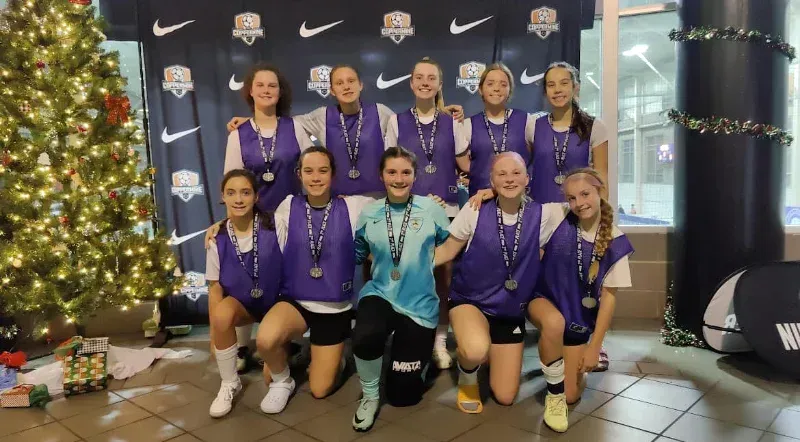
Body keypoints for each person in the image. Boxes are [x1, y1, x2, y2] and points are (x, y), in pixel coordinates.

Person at [471, 61, 613, 371]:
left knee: (584, 280)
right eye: (551, 85)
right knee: (551, 281)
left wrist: (599, 221)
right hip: (544, 217)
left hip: (579, 215)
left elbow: (602, 179)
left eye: (564, 83)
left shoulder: (595, 127)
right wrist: (494, 191)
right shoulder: (534, 125)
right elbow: (519, 171)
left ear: (575, 87)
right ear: (545, 91)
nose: (558, 89)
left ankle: (591, 343)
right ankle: (554, 339)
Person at [433, 152, 565, 413]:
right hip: (471, 301)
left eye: (516, 173)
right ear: (491, 182)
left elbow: (584, 201)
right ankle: (468, 375)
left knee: (505, 396)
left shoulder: (545, 214)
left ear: (528, 178)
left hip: (509, 309)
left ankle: (491, 352)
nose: (509, 179)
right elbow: (446, 251)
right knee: (474, 350)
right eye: (501, 174)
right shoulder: (474, 210)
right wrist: (402, 262)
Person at [210, 62, 314, 373]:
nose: (267, 90)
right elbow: (232, 180)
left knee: (283, 282)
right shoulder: (238, 134)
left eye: (272, 85)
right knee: (243, 280)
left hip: (289, 221)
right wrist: (224, 222)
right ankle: (240, 346)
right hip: (251, 221)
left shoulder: (294, 127)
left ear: (280, 92)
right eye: (261, 86)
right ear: (250, 91)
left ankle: (282, 341)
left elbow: (310, 168)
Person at [255, 146, 371, 413]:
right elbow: (256, 224)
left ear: (333, 174)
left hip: (333, 308)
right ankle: (283, 382)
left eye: (323, 171)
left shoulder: (354, 206)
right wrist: (222, 226)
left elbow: (395, 197)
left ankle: (335, 357)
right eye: (308, 171)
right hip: (296, 301)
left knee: (320, 389)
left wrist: (432, 202)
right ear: (299, 174)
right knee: (265, 343)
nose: (315, 177)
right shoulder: (288, 205)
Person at [350, 147, 450, 432]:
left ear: (415, 176)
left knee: (404, 396)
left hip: (419, 305)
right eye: (391, 172)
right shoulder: (369, 213)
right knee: (365, 336)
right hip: (380, 293)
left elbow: (450, 245)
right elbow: (358, 253)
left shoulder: (431, 209)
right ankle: (369, 396)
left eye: (406, 172)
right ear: (382, 176)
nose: (399, 178)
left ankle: (418, 359)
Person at [528, 168, 633, 433]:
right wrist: (488, 191)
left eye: (585, 194)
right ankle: (554, 396)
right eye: (571, 198)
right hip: (543, 299)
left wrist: (594, 348)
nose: (578, 203)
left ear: (600, 191)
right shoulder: (558, 215)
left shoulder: (616, 241)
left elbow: (609, 300)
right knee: (554, 323)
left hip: (578, 319)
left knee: (572, 395)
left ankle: (569, 371)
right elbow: (516, 203)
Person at [384, 57, 469, 370]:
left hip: (445, 210)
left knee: (442, 279)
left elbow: (466, 164)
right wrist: (418, 199)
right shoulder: (396, 121)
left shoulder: (452, 121)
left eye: (431, 78)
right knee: (408, 277)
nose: (424, 82)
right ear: (411, 82)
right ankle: (409, 337)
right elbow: (390, 169)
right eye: (418, 77)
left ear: (439, 84)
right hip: (408, 210)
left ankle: (439, 342)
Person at [205, 169, 283, 418]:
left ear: (256, 197)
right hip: (243, 304)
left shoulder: (275, 224)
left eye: (245, 192)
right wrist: (213, 335)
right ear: (223, 198)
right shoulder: (217, 237)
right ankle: (229, 383)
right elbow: (215, 288)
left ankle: (284, 350)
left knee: (272, 376)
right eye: (231, 193)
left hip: (275, 303)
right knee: (221, 315)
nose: (238, 199)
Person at [457, 62, 537, 197]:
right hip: (481, 200)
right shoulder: (468, 125)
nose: (497, 88)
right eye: (490, 84)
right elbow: (465, 166)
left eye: (503, 84)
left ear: (510, 90)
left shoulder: (527, 120)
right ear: (481, 89)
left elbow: (536, 157)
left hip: (519, 201)